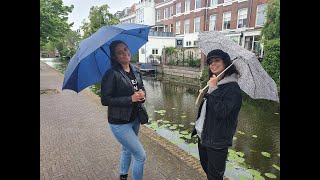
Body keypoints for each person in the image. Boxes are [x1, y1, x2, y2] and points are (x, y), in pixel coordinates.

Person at [191, 49, 242, 180]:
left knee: (215, 176)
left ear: (226, 63)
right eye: (210, 62)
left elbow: (222, 112)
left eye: (217, 60)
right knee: (206, 168)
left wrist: (213, 89)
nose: (213, 64)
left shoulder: (233, 89)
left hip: (217, 141)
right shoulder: (216, 82)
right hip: (204, 136)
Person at [100, 40, 147, 180]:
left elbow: (142, 89)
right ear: (114, 57)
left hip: (135, 118)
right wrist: (130, 99)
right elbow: (105, 100)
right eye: (120, 52)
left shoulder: (136, 70)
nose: (125, 53)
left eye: (126, 49)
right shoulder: (111, 74)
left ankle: (123, 175)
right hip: (119, 122)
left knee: (127, 150)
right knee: (140, 155)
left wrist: (142, 96)